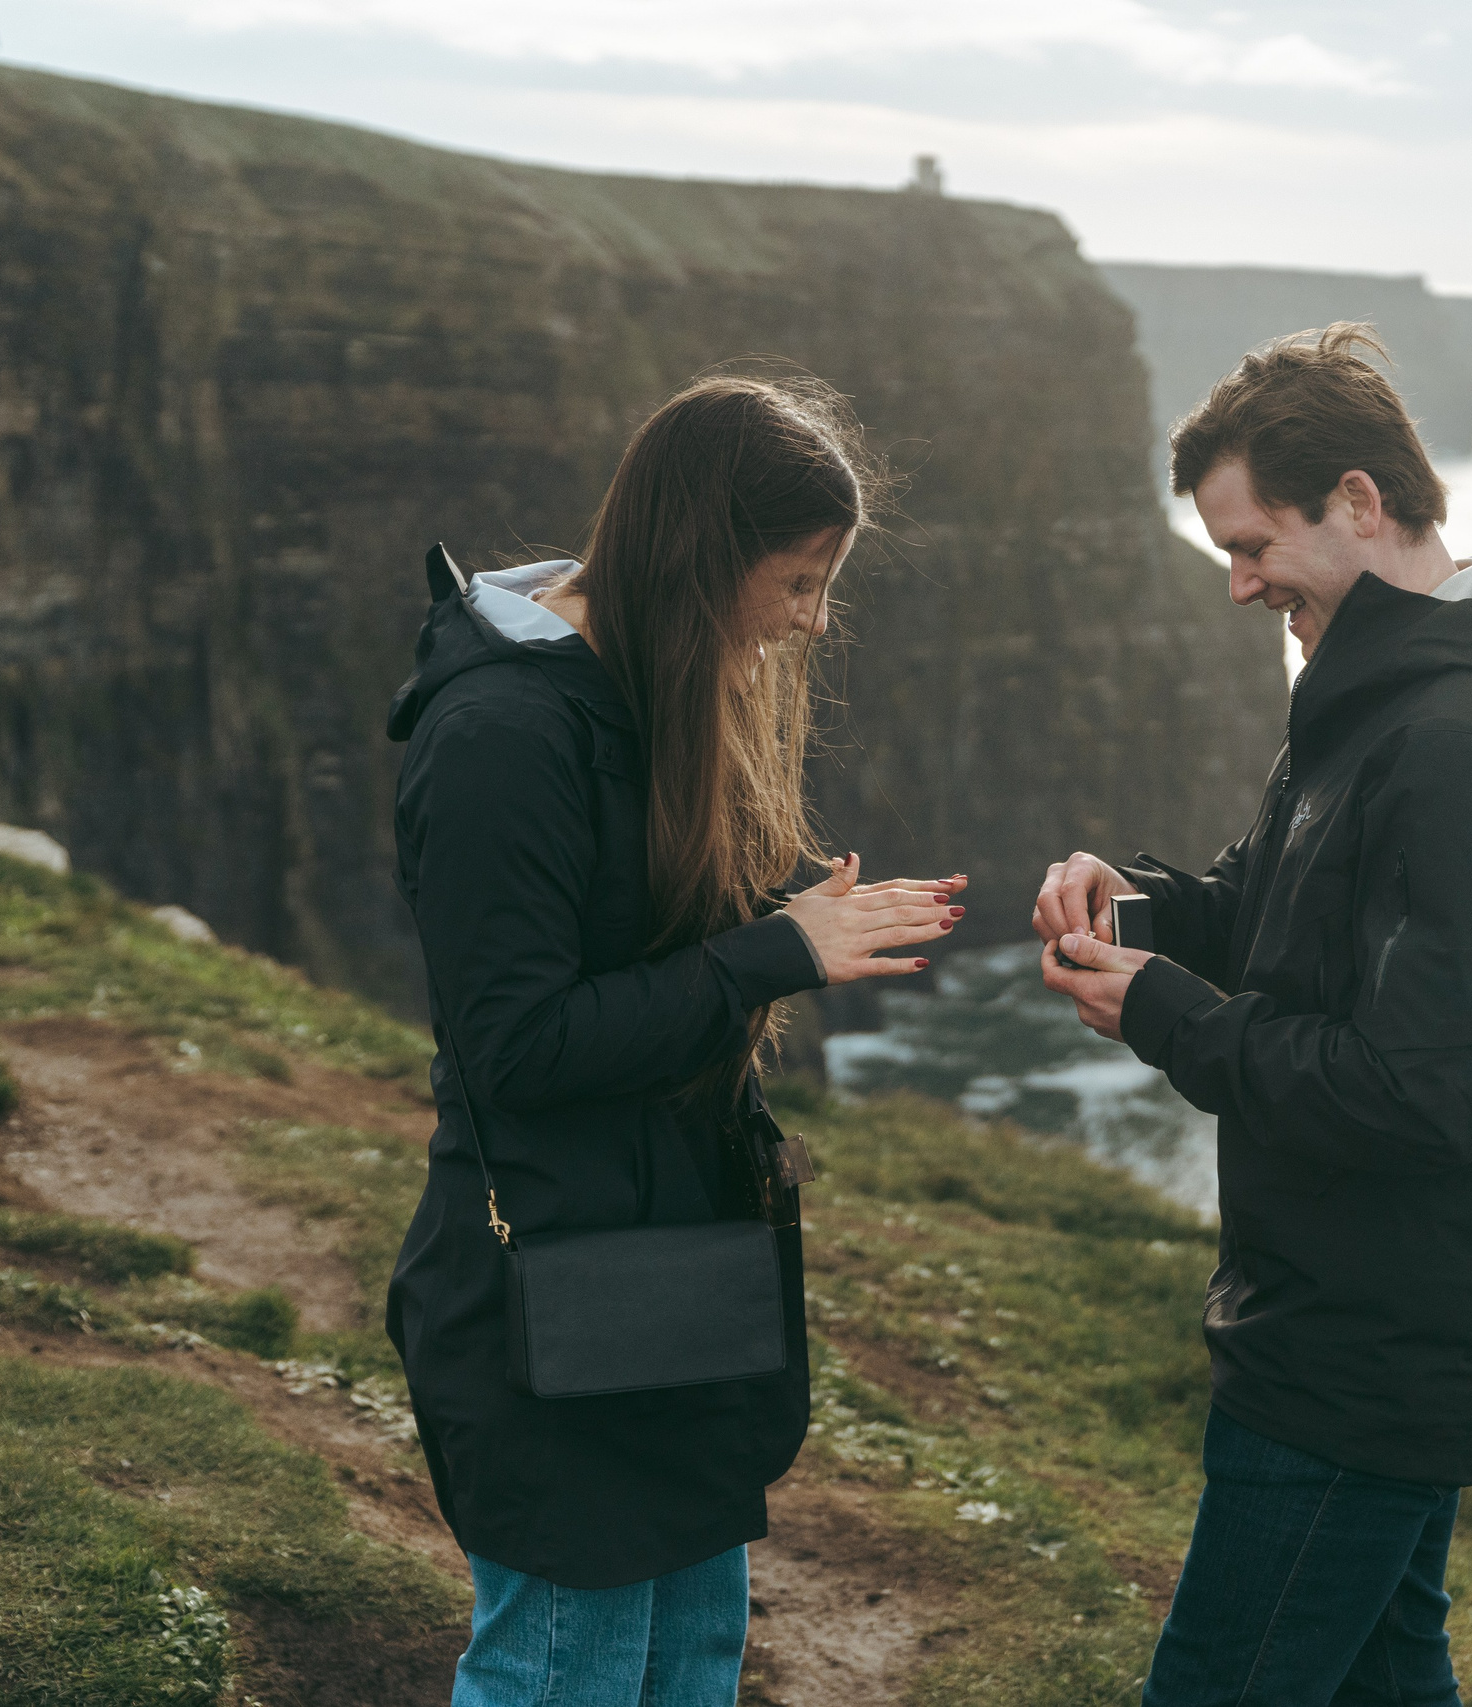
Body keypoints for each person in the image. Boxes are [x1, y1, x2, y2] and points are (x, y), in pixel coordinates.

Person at [1037, 325, 1472, 1707]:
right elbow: (1267, 912)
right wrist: (1126, 913)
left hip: (1368, 1355)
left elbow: (1422, 1094)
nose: (1243, 585)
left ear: (1362, 504)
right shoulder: (1378, 703)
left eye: (1256, 546)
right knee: (1383, 1675)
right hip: (1348, 1318)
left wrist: (1167, 1019)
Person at [385, 373, 965, 1706]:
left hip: (669, 1261)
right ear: (706, 558)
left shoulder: (638, 682)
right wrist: (777, 953)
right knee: (565, 1674)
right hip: (546, 1288)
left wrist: (782, 911)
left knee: (686, 1665)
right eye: (803, 580)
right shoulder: (499, 734)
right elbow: (518, 1047)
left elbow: (622, 945)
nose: (814, 621)